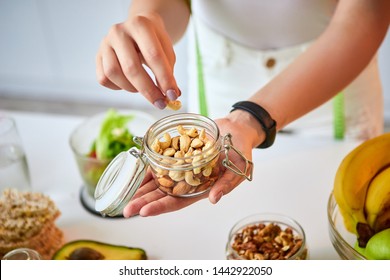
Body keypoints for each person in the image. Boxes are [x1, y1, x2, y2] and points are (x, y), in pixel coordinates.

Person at [95, 0, 390, 217]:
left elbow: (367, 15)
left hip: (331, 77)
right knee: (221, 219)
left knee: (336, 210)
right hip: (223, 78)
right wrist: (148, 21)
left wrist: (253, 118)